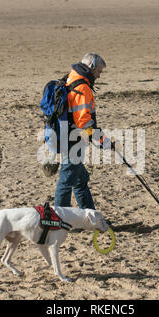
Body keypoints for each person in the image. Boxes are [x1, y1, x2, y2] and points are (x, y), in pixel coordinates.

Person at [54, 53, 108, 210]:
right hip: (73, 140)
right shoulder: (82, 87)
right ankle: (59, 219)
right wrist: (103, 141)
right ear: (91, 67)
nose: (99, 76)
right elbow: (83, 121)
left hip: (67, 136)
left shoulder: (71, 76)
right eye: (99, 71)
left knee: (79, 179)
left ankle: (89, 217)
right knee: (67, 179)